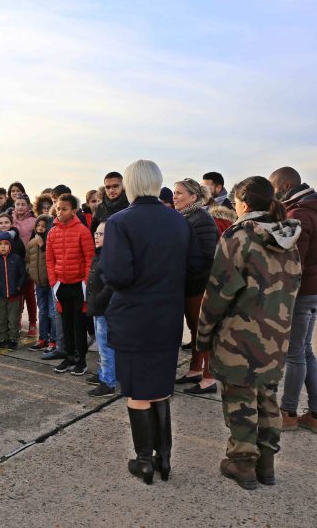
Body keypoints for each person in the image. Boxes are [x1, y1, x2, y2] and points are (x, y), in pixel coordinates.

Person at [99, 160, 201, 485]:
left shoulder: (119, 222)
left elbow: (117, 274)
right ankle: (164, 458)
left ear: (130, 184)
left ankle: (145, 462)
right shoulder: (178, 221)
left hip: (133, 318)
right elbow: (196, 268)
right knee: (160, 388)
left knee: (138, 392)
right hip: (168, 316)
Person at [197, 176, 302, 490]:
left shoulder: (239, 237)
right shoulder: (289, 238)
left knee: (240, 399)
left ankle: (242, 464)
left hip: (239, 336)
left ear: (242, 204)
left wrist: (203, 335)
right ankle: (266, 465)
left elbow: (218, 292)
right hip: (277, 334)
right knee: (267, 397)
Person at [269, 166, 317, 435]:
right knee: (306, 350)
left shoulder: (299, 214)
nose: (273, 193)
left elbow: (292, 262)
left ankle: (287, 412)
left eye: (274, 187)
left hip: (301, 292)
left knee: (295, 353)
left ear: (286, 184)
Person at [172, 179, 219, 394]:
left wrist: (185, 269)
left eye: (180, 193)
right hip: (188, 283)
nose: (175, 196)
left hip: (199, 283)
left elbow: (207, 255)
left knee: (203, 330)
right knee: (194, 329)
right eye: (174, 192)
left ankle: (209, 377)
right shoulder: (186, 217)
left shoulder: (202, 218)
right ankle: (194, 369)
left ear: (193, 197)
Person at [46, 193, 95, 377]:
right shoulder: (52, 232)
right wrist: (54, 283)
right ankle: (69, 356)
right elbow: (49, 259)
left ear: (73, 210)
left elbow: (89, 259)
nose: (60, 212)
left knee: (79, 325)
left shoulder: (82, 231)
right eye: (58, 208)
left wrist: (85, 285)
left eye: (64, 209)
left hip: (78, 287)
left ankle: (81, 360)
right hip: (62, 286)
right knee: (65, 324)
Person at [85, 221, 117, 398]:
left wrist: (98, 300)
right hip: (98, 308)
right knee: (104, 345)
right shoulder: (100, 254)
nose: (96, 237)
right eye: (96, 233)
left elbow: (110, 284)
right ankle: (105, 373)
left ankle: (108, 382)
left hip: (104, 310)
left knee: (105, 347)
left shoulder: (110, 257)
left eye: (101, 234)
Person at [26, 215, 56, 351]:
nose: (40, 228)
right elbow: (27, 261)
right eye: (38, 226)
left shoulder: (51, 241)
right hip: (39, 284)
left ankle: (54, 340)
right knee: (42, 312)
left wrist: (42, 245)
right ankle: (42, 338)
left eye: (43, 226)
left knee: (52, 313)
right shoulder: (32, 242)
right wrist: (30, 272)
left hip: (50, 284)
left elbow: (53, 257)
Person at [0, 232, 27, 349]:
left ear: (10, 245)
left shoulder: (16, 259)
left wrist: (19, 286)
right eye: (0, 244)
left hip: (14, 295)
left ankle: (13, 339)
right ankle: (1, 337)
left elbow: (23, 274)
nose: (3, 246)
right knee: (0, 318)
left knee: (13, 319)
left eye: (6, 244)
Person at [12, 194, 38, 337]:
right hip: (13, 261)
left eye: (23, 204)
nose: (20, 207)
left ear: (28, 206)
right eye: (18, 204)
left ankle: (33, 323)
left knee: (29, 293)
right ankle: (17, 320)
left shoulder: (33, 221)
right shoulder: (10, 219)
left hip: (29, 260)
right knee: (17, 293)